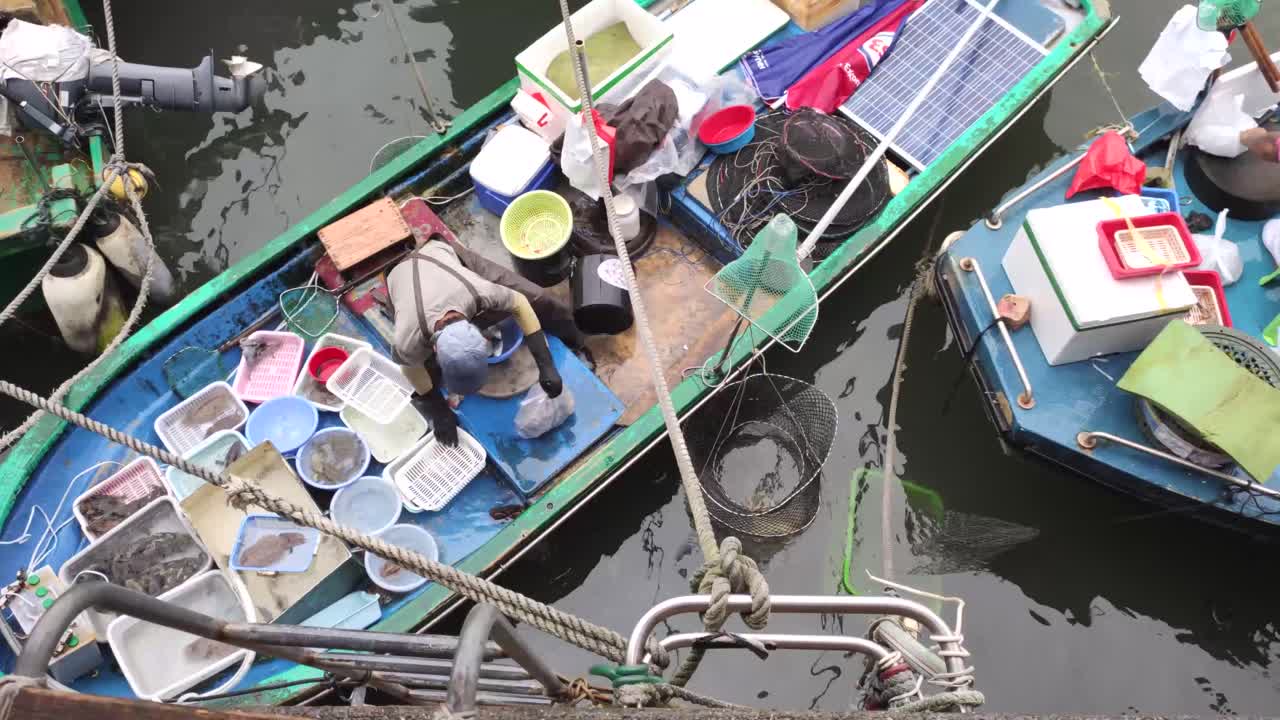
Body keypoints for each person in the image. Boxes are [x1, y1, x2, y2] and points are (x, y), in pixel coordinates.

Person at [387, 234, 585, 445]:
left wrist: (546, 364)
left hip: (445, 258)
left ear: (479, 335)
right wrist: (439, 411)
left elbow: (519, 303)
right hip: (400, 278)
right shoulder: (407, 337)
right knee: (427, 373)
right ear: (435, 348)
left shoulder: (478, 291)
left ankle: (576, 341)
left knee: (538, 299)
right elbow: (410, 368)